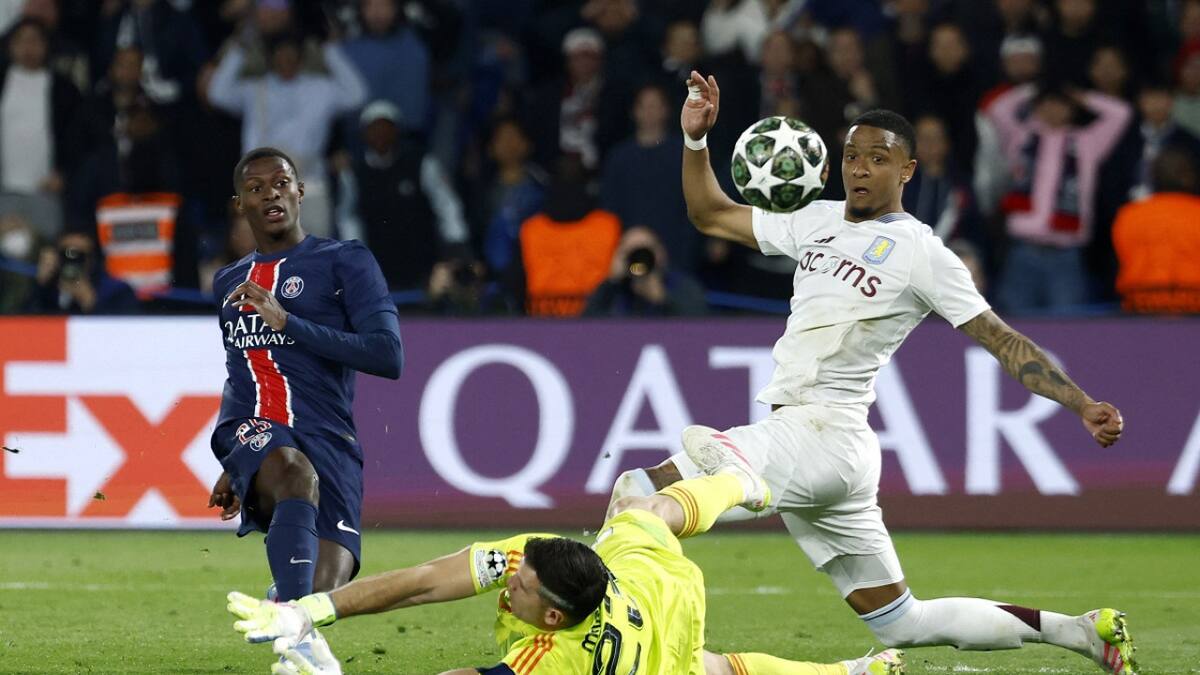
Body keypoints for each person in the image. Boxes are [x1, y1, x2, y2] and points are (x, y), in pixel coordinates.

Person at [609, 70, 1136, 675]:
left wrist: (1080, 402)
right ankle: (1080, 633)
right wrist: (696, 141)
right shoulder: (814, 219)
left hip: (821, 431)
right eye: (851, 156)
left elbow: (1001, 340)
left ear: (907, 171)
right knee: (900, 621)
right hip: (829, 451)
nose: (859, 169)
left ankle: (600, 626)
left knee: (639, 490)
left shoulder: (922, 253)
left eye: (877, 159)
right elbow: (709, 214)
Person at [226, 457, 904, 675]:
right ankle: (743, 479)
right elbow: (428, 579)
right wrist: (314, 606)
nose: (506, 577)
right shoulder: (541, 557)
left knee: (709, 666)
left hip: (651, 638)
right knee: (643, 508)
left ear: (550, 617)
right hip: (651, 583)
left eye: (516, 586)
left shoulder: (552, 659)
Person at [206, 148, 403, 653]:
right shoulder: (229, 282)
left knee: (326, 590)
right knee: (293, 472)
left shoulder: (345, 260)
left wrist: (288, 323)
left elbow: (388, 355)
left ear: (299, 192)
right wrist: (235, 460)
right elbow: (238, 372)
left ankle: (287, 604)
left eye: (281, 182)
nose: (270, 192)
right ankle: (298, 649)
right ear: (240, 204)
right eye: (255, 187)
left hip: (329, 436)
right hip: (259, 430)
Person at [1112, 146, 1200, 313]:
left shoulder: (1129, 215)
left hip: (1140, 304)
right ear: (1189, 176)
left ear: (1153, 177)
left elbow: (1120, 259)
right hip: (1194, 305)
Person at [585, 225, 707, 317]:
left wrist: (662, 300)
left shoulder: (682, 285)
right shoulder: (614, 290)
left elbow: (700, 327)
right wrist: (611, 281)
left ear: (660, 253)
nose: (639, 260)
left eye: (644, 253)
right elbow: (586, 328)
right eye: (631, 252)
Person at [26, 230, 139, 315]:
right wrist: (40, 285)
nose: (72, 261)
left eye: (79, 256)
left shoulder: (117, 291)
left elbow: (126, 333)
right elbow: (21, 326)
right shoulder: (47, 290)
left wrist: (90, 303)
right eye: (67, 254)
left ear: (91, 260)